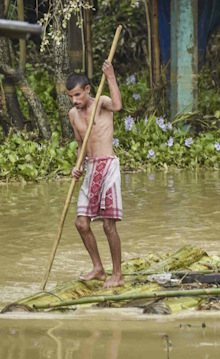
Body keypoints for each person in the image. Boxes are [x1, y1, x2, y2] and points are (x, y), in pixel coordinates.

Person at [66, 60, 124, 288]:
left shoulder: (101, 102)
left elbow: (118, 106)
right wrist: (77, 165)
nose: (75, 100)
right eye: (71, 96)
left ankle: (117, 275)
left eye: (78, 95)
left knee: (109, 225)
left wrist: (110, 76)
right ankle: (99, 269)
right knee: (81, 223)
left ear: (87, 90)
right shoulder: (73, 115)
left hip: (108, 166)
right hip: (90, 169)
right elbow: (81, 144)